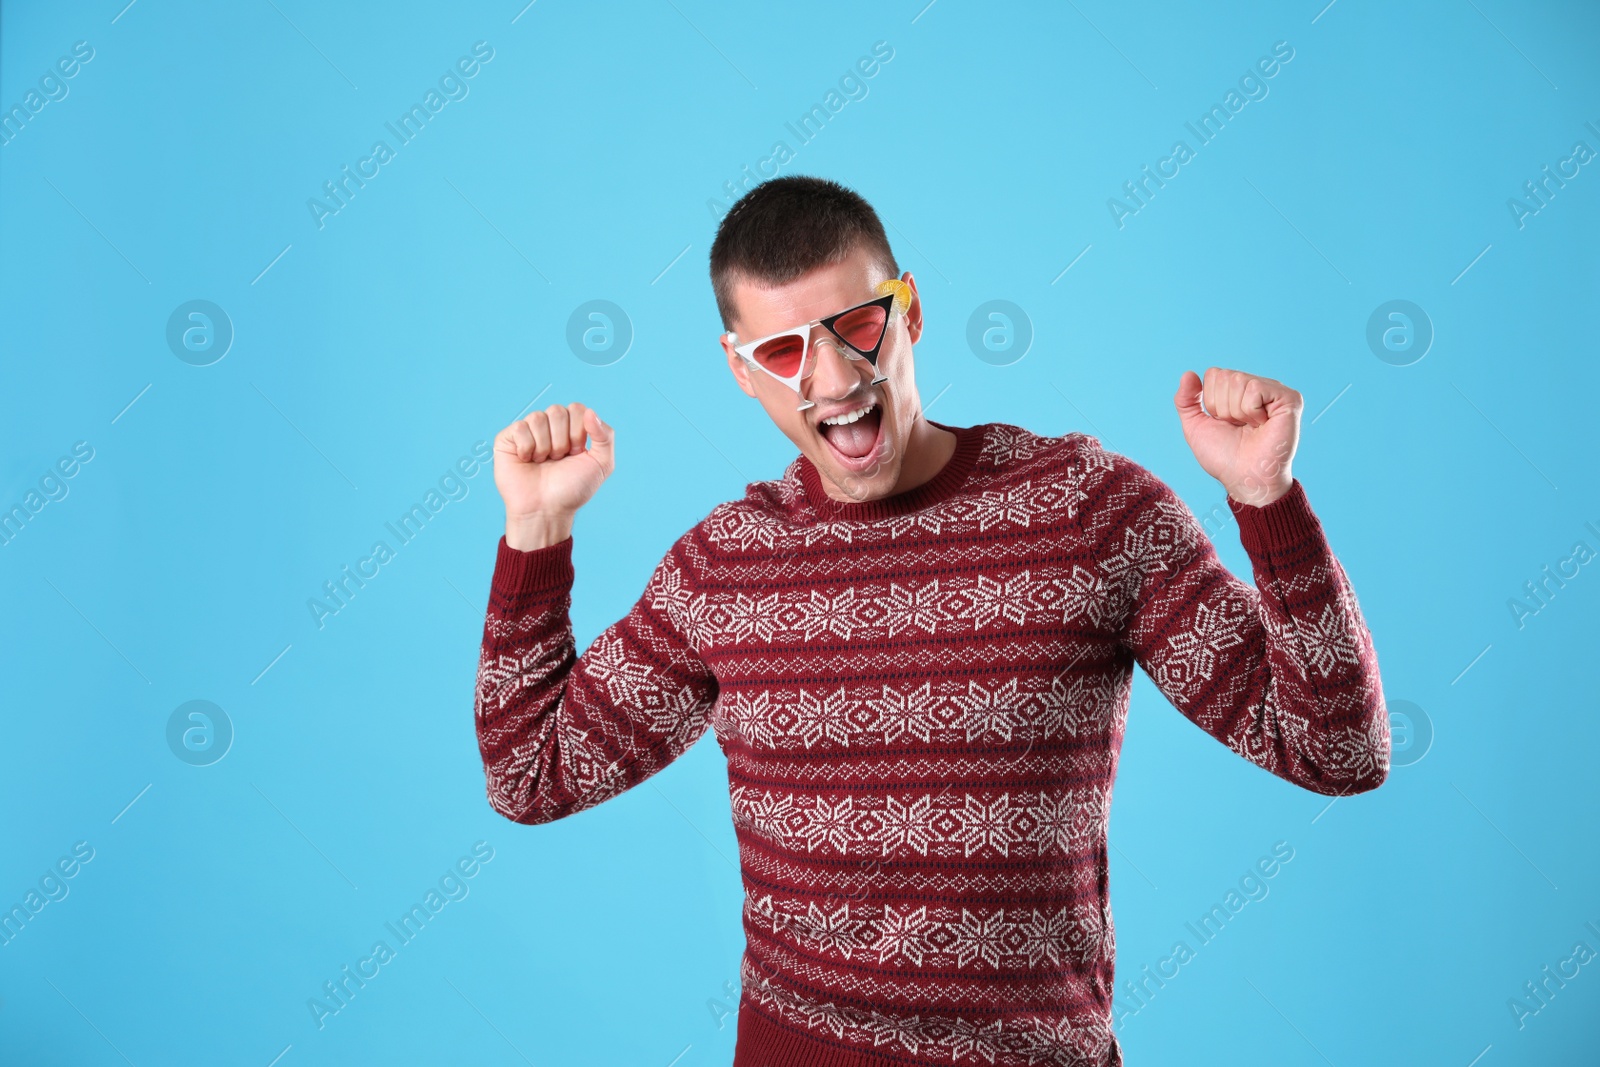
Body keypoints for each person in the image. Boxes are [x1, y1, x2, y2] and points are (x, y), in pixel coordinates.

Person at [473, 176, 1388, 1066]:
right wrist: (538, 530)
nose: (831, 378)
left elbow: (1335, 752)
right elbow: (532, 774)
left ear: (908, 311)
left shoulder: (1088, 510)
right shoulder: (723, 568)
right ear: (740, 371)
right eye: (786, 351)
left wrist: (1265, 499)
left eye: (856, 326)